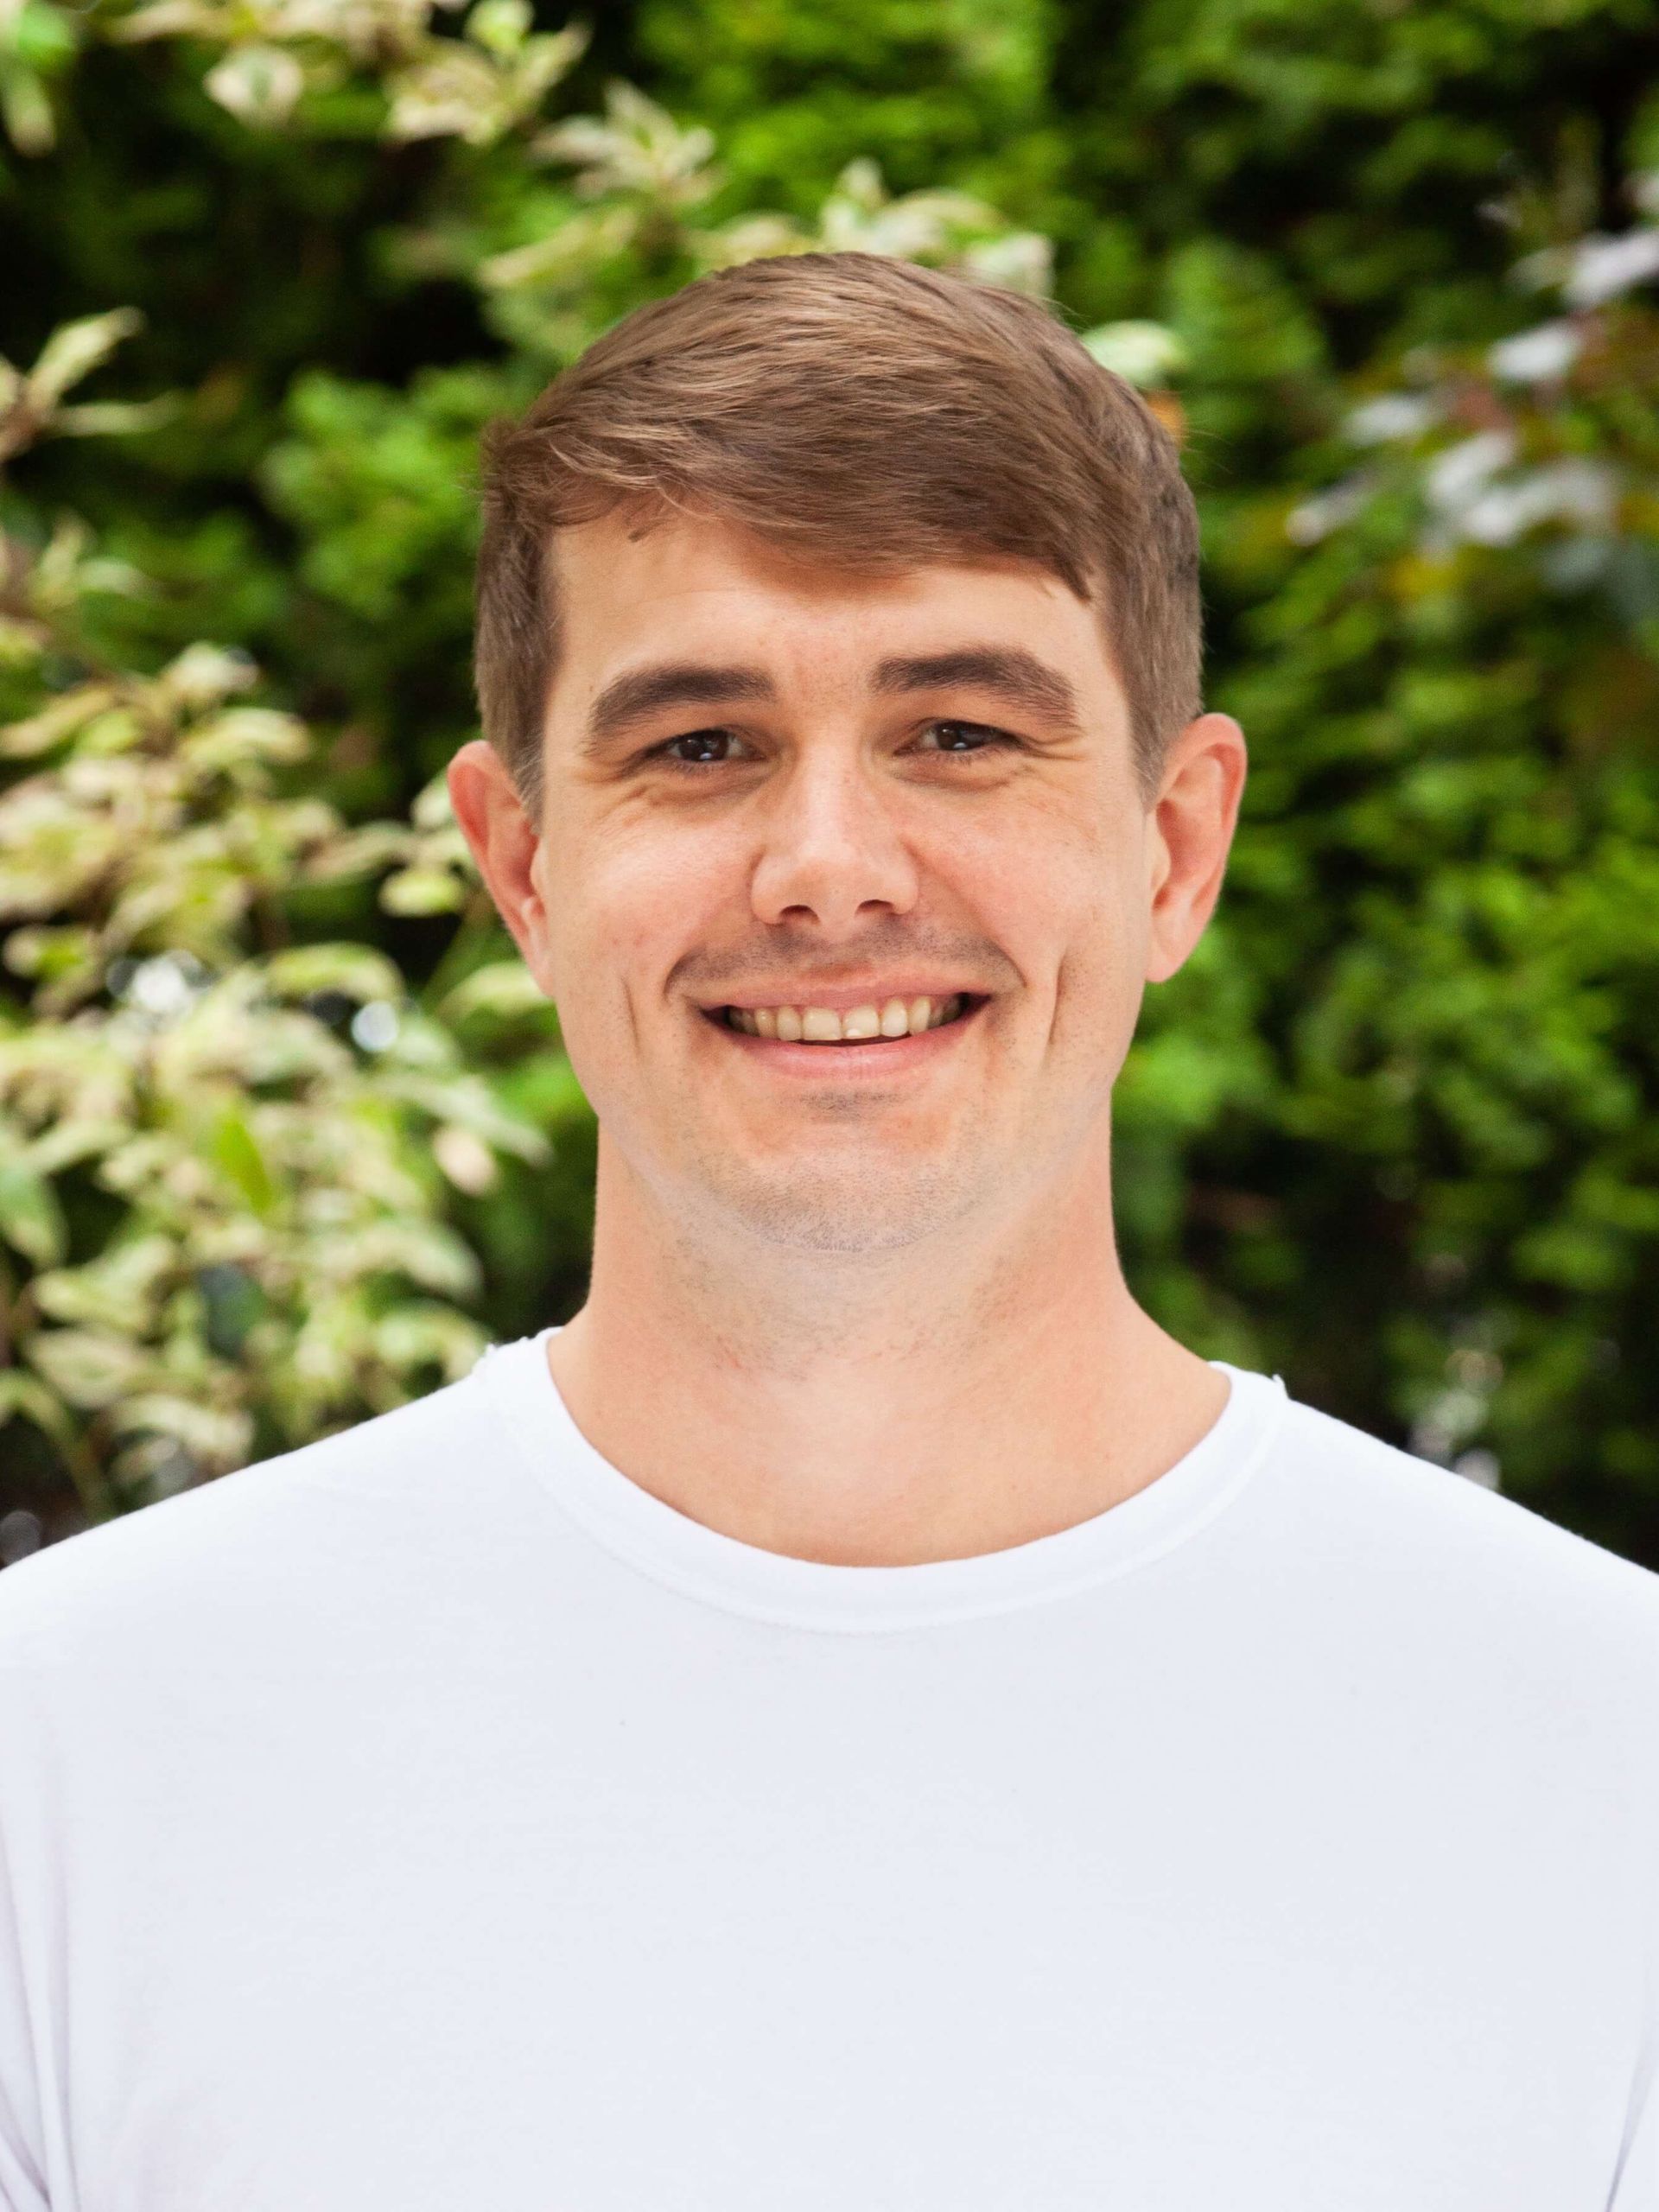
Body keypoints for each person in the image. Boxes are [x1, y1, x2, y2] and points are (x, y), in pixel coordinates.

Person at [0, 252, 1655, 2212]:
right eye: (699, 744)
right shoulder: (73, 1763)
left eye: (959, 730)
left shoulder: (1601, 1768)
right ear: (523, 864)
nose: (828, 871)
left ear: (1173, 849)